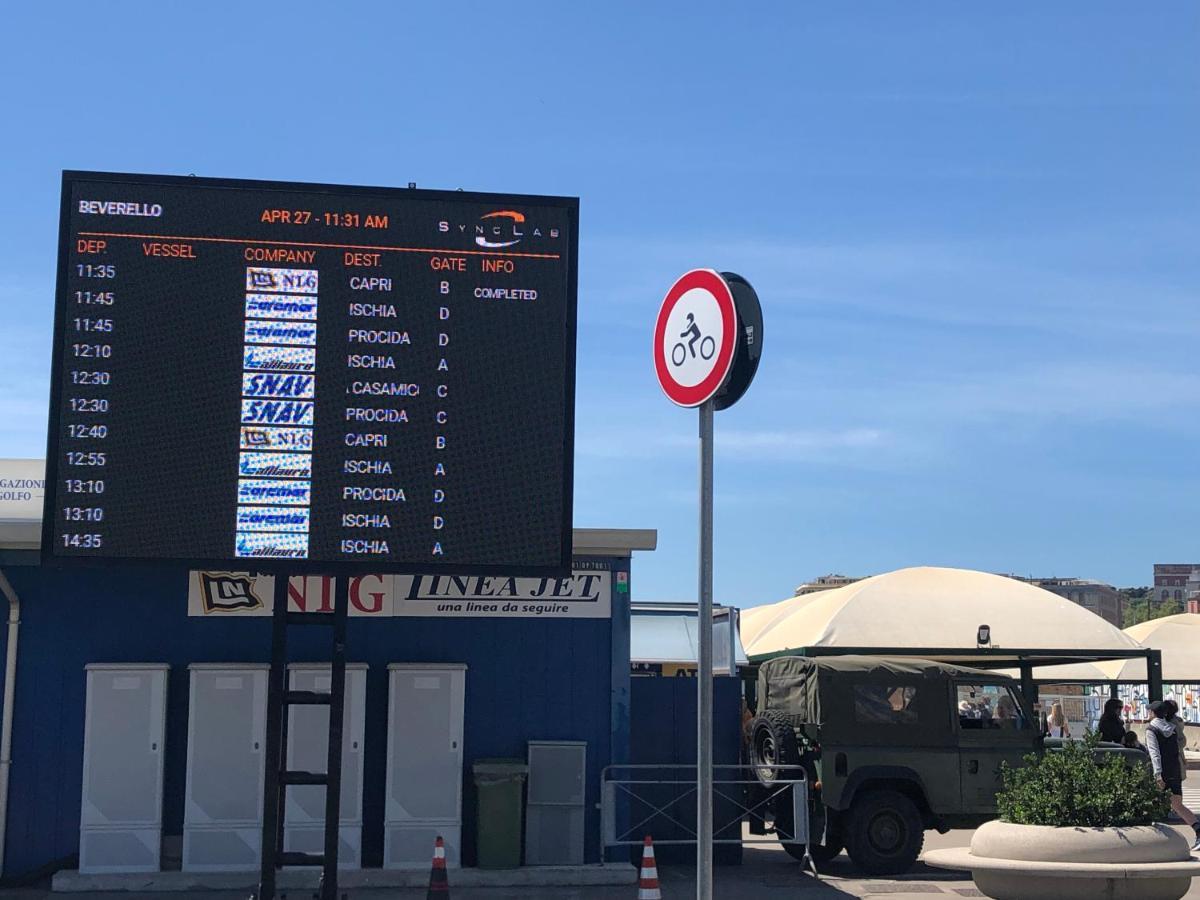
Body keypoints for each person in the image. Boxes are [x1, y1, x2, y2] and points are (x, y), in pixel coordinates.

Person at [1145, 700, 1200, 852]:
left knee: (1151, 804)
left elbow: (1154, 753)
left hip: (1162, 773)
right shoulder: (1173, 729)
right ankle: (1198, 830)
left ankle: (1153, 842)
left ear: (1153, 713)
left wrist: (1157, 774)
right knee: (1177, 805)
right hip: (1174, 771)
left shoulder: (1151, 730)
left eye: (1149, 711)